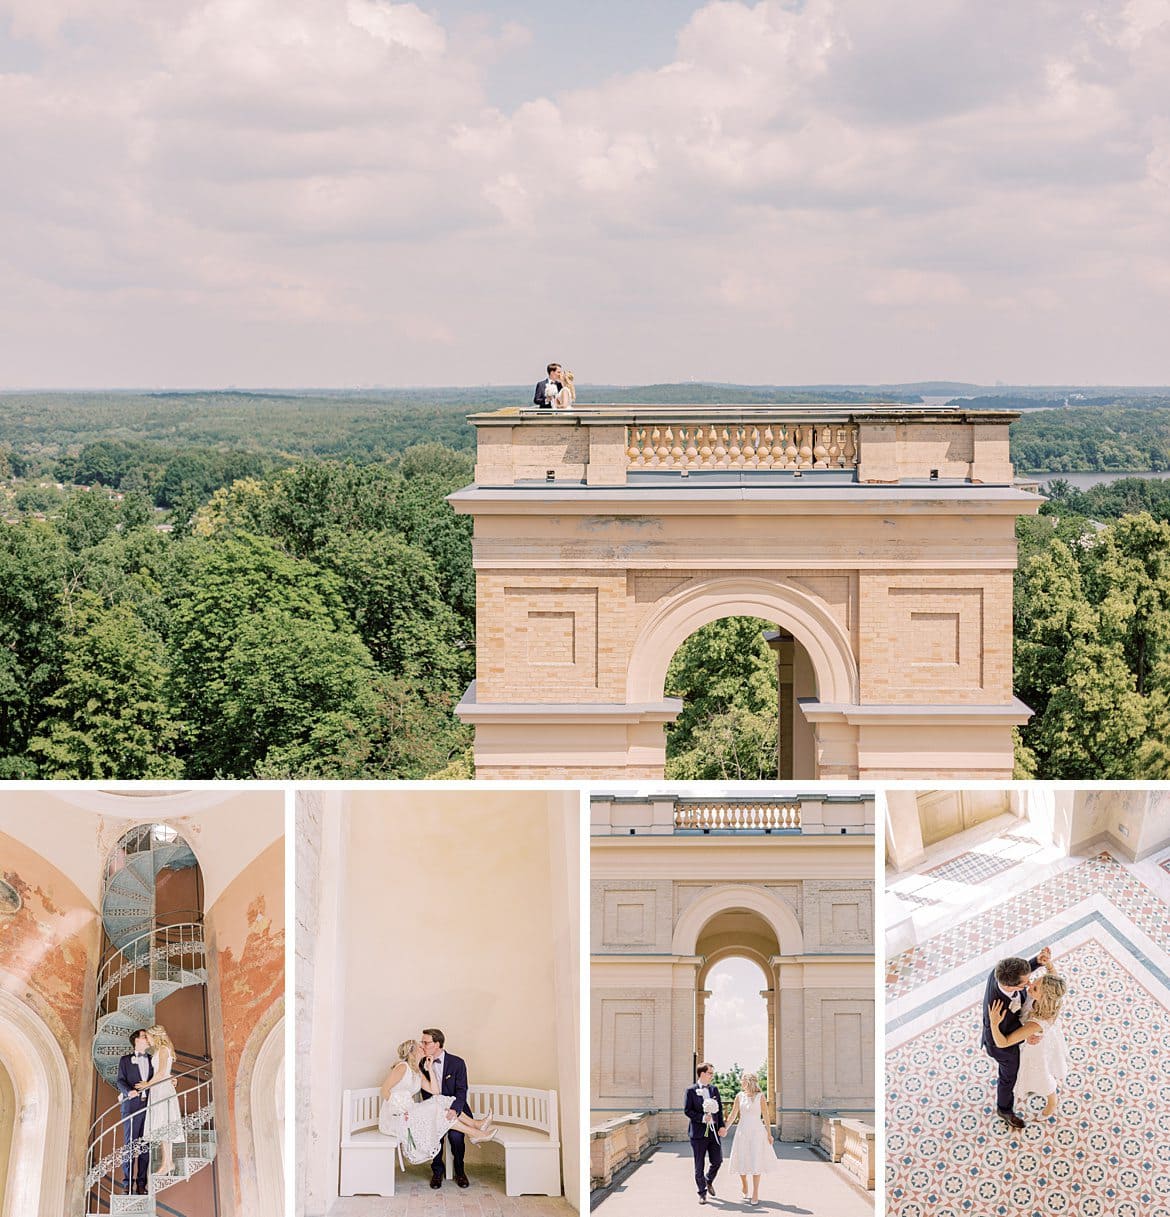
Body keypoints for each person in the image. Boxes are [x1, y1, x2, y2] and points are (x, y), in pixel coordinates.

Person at [378, 1037, 493, 1179]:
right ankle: (476, 1133)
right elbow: (384, 1091)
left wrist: (430, 1069)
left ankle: (475, 1126)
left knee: (440, 1100)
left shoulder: (417, 1071)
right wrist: (401, 1110)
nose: (424, 1048)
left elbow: (435, 1091)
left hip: (409, 1111)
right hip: (395, 1116)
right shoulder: (402, 1067)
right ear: (412, 1052)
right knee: (438, 1108)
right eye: (420, 1047)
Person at [990, 955, 1069, 1119]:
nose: (1030, 985)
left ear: (1042, 997)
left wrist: (994, 1023)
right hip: (1041, 1039)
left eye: (1034, 988)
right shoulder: (1051, 994)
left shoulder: (1035, 1023)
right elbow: (1052, 974)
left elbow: (1002, 1042)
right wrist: (1047, 963)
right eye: (1036, 981)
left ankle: (1052, 1101)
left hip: (1036, 1050)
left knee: (1041, 1076)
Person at [980, 946, 1051, 1127]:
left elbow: (1019, 972)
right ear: (1009, 986)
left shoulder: (998, 973)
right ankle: (1004, 1109)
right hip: (1001, 1045)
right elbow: (1002, 1040)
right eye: (1024, 983)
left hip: (1008, 1030)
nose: (1029, 984)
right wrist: (1028, 1032)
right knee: (1008, 1077)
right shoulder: (998, 1009)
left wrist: (1037, 961)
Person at [721, 1072, 778, 1205]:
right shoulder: (739, 1096)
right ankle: (744, 1183)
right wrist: (725, 1128)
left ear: (748, 1082)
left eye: (742, 1080)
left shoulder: (760, 1097)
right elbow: (733, 1114)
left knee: (756, 1160)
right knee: (742, 1158)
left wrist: (769, 1134)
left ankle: (755, 1192)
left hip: (757, 1132)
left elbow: (766, 1116)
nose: (740, 1083)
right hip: (742, 1132)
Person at [139, 1025, 184, 1175]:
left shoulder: (164, 1049)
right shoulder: (158, 1051)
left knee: (165, 1124)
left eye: (148, 1036)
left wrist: (147, 1084)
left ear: (155, 1036)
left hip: (162, 1089)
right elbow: (164, 1073)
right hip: (158, 1089)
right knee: (162, 1126)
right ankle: (167, 1162)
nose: (147, 1039)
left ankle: (167, 1163)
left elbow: (161, 1073)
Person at [115, 1029, 153, 1195]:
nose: (147, 1038)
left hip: (150, 1106)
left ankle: (142, 1184)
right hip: (131, 1105)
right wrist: (128, 1092)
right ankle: (127, 1183)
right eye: (144, 1036)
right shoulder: (125, 1060)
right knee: (130, 1145)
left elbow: (158, 1078)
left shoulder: (153, 1060)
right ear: (136, 1040)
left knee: (145, 1146)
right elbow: (120, 1080)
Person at [684, 1063, 725, 1205]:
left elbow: (719, 1110)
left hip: (713, 1133)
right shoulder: (691, 1090)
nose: (712, 1076)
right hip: (698, 1134)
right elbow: (687, 1110)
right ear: (702, 1074)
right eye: (710, 1073)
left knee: (718, 1161)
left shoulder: (714, 1089)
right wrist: (702, 1118)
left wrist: (722, 1126)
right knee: (699, 1165)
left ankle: (708, 1180)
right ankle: (702, 1193)